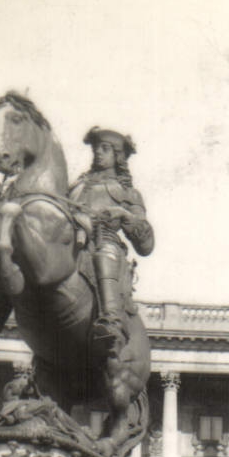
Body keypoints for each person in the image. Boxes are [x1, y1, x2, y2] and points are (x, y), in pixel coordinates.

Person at [69, 127, 154, 333]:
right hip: (70, 239)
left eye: (105, 149)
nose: (98, 152)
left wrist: (123, 214)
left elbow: (146, 245)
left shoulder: (128, 193)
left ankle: (111, 319)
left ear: (118, 156)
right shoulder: (76, 186)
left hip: (103, 240)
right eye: (96, 148)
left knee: (104, 254)